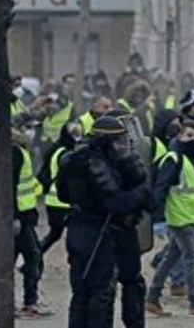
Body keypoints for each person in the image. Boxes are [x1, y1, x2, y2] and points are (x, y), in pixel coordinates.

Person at [59, 115, 152, 328]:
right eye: (119, 141)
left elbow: (64, 195)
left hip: (84, 229)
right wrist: (142, 194)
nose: (123, 146)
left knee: (87, 290)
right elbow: (116, 203)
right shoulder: (94, 163)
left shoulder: (72, 158)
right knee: (97, 292)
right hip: (95, 232)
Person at [146, 119, 194, 318]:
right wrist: (159, 219)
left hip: (191, 217)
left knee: (171, 257)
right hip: (179, 218)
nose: (193, 140)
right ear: (179, 136)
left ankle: (152, 297)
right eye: (189, 135)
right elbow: (160, 190)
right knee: (192, 259)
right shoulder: (172, 159)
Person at [11, 113, 50, 318]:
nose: (33, 131)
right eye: (29, 127)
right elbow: (11, 185)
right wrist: (14, 216)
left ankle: (27, 300)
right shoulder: (15, 152)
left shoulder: (21, 151)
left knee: (20, 256)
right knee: (34, 256)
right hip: (20, 216)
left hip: (26, 215)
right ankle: (29, 303)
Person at [38, 120, 82, 255]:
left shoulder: (57, 148)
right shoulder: (65, 153)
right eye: (74, 133)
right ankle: (33, 259)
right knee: (72, 234)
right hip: (61, 201)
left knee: (55, 234)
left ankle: (33, 260)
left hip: (54, 200)